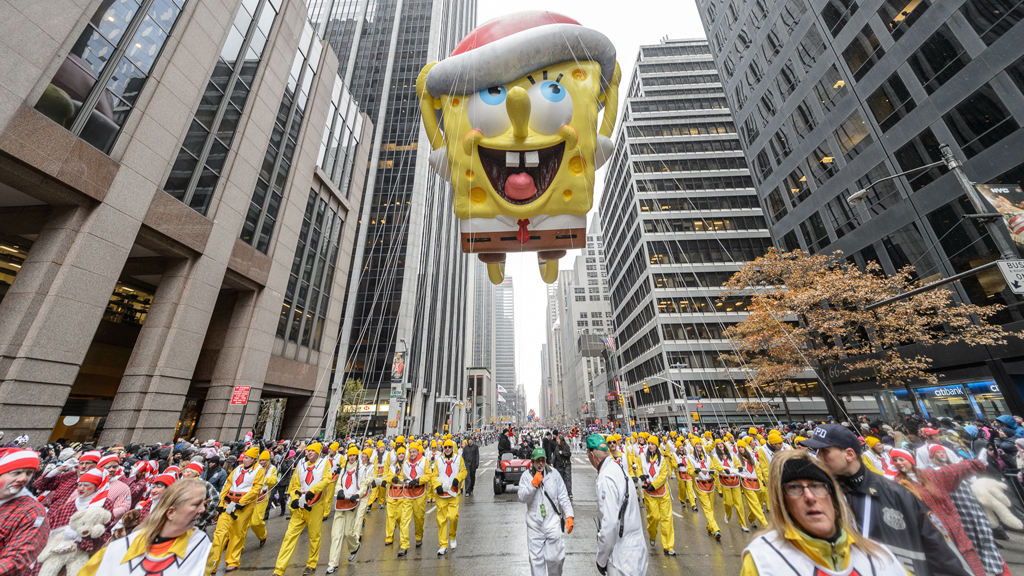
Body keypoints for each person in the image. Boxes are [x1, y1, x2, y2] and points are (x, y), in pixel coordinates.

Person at [801, 424, 972, 576]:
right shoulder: (820, 495)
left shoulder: (898, 494)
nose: (819, 456)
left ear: (849, 454)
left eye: (825, 451)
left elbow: (944, 556)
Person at [740, 450, 906, 576]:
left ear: (833, 496)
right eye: (795, 488)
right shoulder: (762, 561)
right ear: (783, 503)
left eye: (817, 485)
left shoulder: (881, 559)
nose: (810, 497)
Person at [889, 448, 1006, 576]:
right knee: (948, 564)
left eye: (901, 459)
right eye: (895, 460)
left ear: (910, 460)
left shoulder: (931, 474)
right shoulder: (898, 483)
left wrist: (976, 463)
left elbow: (953, 470)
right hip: (933, 533)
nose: (898, 462)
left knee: (969, 557)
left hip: (954, 527)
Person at [79, 478, 212, 576]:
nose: (202, 509)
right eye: (196, 504)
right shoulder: (117, 550)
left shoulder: (201, 545)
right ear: (170, 512)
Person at [587, 435, 647, 576]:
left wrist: (601, 559)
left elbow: (609, 524)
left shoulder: (605, 478)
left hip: (623, 554)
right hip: (638, 548)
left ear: (591, 455)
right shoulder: (619, 469)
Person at [272, 442, 331, 576]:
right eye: (307, 451)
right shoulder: (301, 465)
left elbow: (327, 480)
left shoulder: (324, 463)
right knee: (289, 536)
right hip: (300, 507)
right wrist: (294, 498)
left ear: (317, 452)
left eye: (312, 451)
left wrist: (312, 491)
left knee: (314, 536)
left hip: (315, 505)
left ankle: (311, 563)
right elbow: (295, 484)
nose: (308, 453)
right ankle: (279, 569)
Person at [205, 445, 265, 575]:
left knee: (237, 534)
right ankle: (213, 563)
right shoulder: (237, 469)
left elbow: (256, 488)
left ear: (254, 459)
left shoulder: (259, 471)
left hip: (243, 507)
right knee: (219, 534)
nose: (244, 460)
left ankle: (232, 561)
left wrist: (242, 502)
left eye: (247, 458)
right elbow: (228, 484)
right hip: (228, 503)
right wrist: (221, 502)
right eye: (244, 458)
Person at [518, 447, 574, 576]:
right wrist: (533, 485)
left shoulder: (554, 474)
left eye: (543, 460)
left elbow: (563, 496)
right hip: (534, 525)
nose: (541, 464)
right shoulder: (526, 476)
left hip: (552, 522)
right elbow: (522, 497)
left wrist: (569, 515)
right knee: (536, 562)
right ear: (533, 461)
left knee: (556, 558)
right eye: (538, 461)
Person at [0, 448, 48, 575]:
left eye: (29, 473)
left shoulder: (33, 512)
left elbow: (16, 560)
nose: (23, 479)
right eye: (16, 473)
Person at [326, 446, 370, 573]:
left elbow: (363, 485)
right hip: (341, 503)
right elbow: (339, 483)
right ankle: (333, 563)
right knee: (336, 534)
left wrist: (358, 495)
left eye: (354, 455)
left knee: (347, 532)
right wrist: (339, 490)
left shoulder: (362, 469)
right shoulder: (344, 469)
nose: (352, 458)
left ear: (357, 456)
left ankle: (355, 546)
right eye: (350, 455)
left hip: (352, 503)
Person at [637, 436, 675, 554]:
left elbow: (664, 475)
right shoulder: (642, 457)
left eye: (653, 444)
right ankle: (652, 535)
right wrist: (641, 476)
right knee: (654, 517)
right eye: (649, 444)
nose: (650, 446)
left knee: (667, 518)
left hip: (662, 492)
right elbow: (639, 469)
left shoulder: (662, 459)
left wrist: (655, 485)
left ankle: (668, 546)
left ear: (657, 445)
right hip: (649, 492)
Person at [431, 438, 467, 555]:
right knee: (441, 520)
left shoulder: (458, 459)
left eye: (449, 447)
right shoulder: (438, 461)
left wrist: (458, 478)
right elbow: (434, 475)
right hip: (441, 495)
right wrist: (437, 485)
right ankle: (443, 544)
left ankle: (452, 536)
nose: (447, 449)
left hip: (453, 493)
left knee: (453, 517)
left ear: (452, 448)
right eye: (445, 447)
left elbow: (464, 471)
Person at [33, 449, 99, 509]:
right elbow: (38, 484)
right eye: (81, 463)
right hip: (50, 514)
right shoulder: (70, 476)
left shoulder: (98, 483)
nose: (83, 466)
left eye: (88, 463)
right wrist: (61, 468)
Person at [397, 442, 431, 556]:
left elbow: (429, 475)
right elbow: (402, 476)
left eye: (414, 452)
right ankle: (404, 545)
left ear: (417, 452)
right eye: (410, 452)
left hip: (419, 494)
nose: (412, 454)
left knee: (419, 519)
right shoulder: (405, 463)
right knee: (404, 520)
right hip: (407, 494)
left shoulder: (424, 461)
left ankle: (418, 537)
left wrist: (418, 480)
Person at [248, 450, 278, 546]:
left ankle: (262, 535)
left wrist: (263, 479)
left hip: (262, 497)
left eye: (264, 460)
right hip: (250, 497)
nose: (262, 462)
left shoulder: (273, 469)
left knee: (256, 522)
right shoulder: (255, 468)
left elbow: (273, 481)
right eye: (260, 460)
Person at [553, 432, 573, 499]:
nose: (557, 441)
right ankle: (561, 492)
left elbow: (569, 454)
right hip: (559, 465)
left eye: (558, 440)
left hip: (566, 464)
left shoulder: (566, 447)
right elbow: (554, 456)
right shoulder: (556, 447)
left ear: (561, 440)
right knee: (560, 479)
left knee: (567, 479)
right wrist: (552, 463)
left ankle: (569, 492)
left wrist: (562, 453)